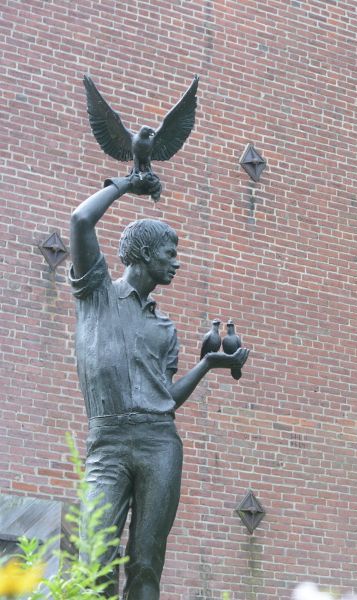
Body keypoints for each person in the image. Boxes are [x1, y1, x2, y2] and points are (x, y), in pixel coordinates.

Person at [69, 172, 249, 599]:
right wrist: (127, 184)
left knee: (147, 561)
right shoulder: (97, 295)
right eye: (170, 253)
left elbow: (166, 399)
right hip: (108, 442)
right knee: (95, 556)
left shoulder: (164, 327)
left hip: (159, 442)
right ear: (145, 254)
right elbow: (80, 220)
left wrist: (207, 364)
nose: (177, 262)